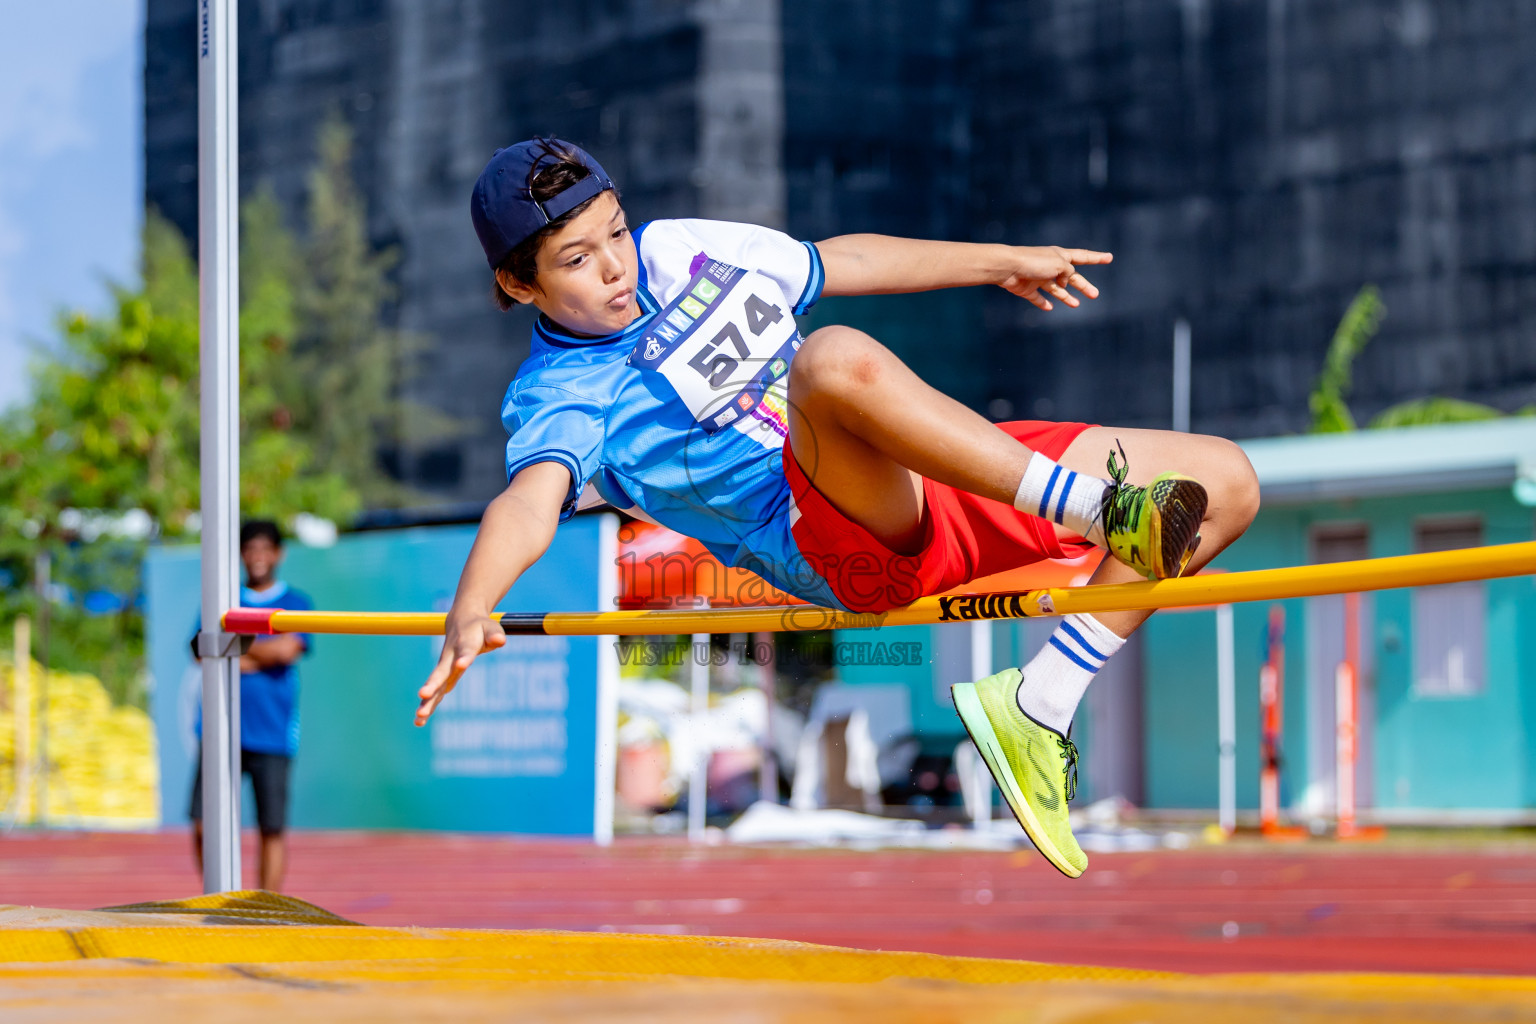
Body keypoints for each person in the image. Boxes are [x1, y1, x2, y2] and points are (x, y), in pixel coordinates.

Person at [417, 138, 1260, 877]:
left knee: (1222, 482)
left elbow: (839, 262)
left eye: (616, 230)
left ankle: (1040, 700)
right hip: (829, 545)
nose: (616, 267)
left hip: (935, 476)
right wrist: (472, 603)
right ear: (516, 283)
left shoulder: (678, 251)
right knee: (828, 360)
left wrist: (1001, 256)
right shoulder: (562, 395)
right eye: (576, 259)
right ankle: (1099, 510)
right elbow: (526, 505)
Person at [190, 519, 312, 892]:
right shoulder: (223, 600)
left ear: (278, 554)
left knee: (270, 828)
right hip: (220, 729)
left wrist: (236, 648)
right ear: (242, 554)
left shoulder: (296, 602)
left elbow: (288, 650)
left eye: (265, 549)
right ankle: (218, 896)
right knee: (201, 823)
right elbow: (202, 650)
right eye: (251, 549)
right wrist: (262, 651)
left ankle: (265, 906)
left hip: (272, 732)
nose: (258, 557)